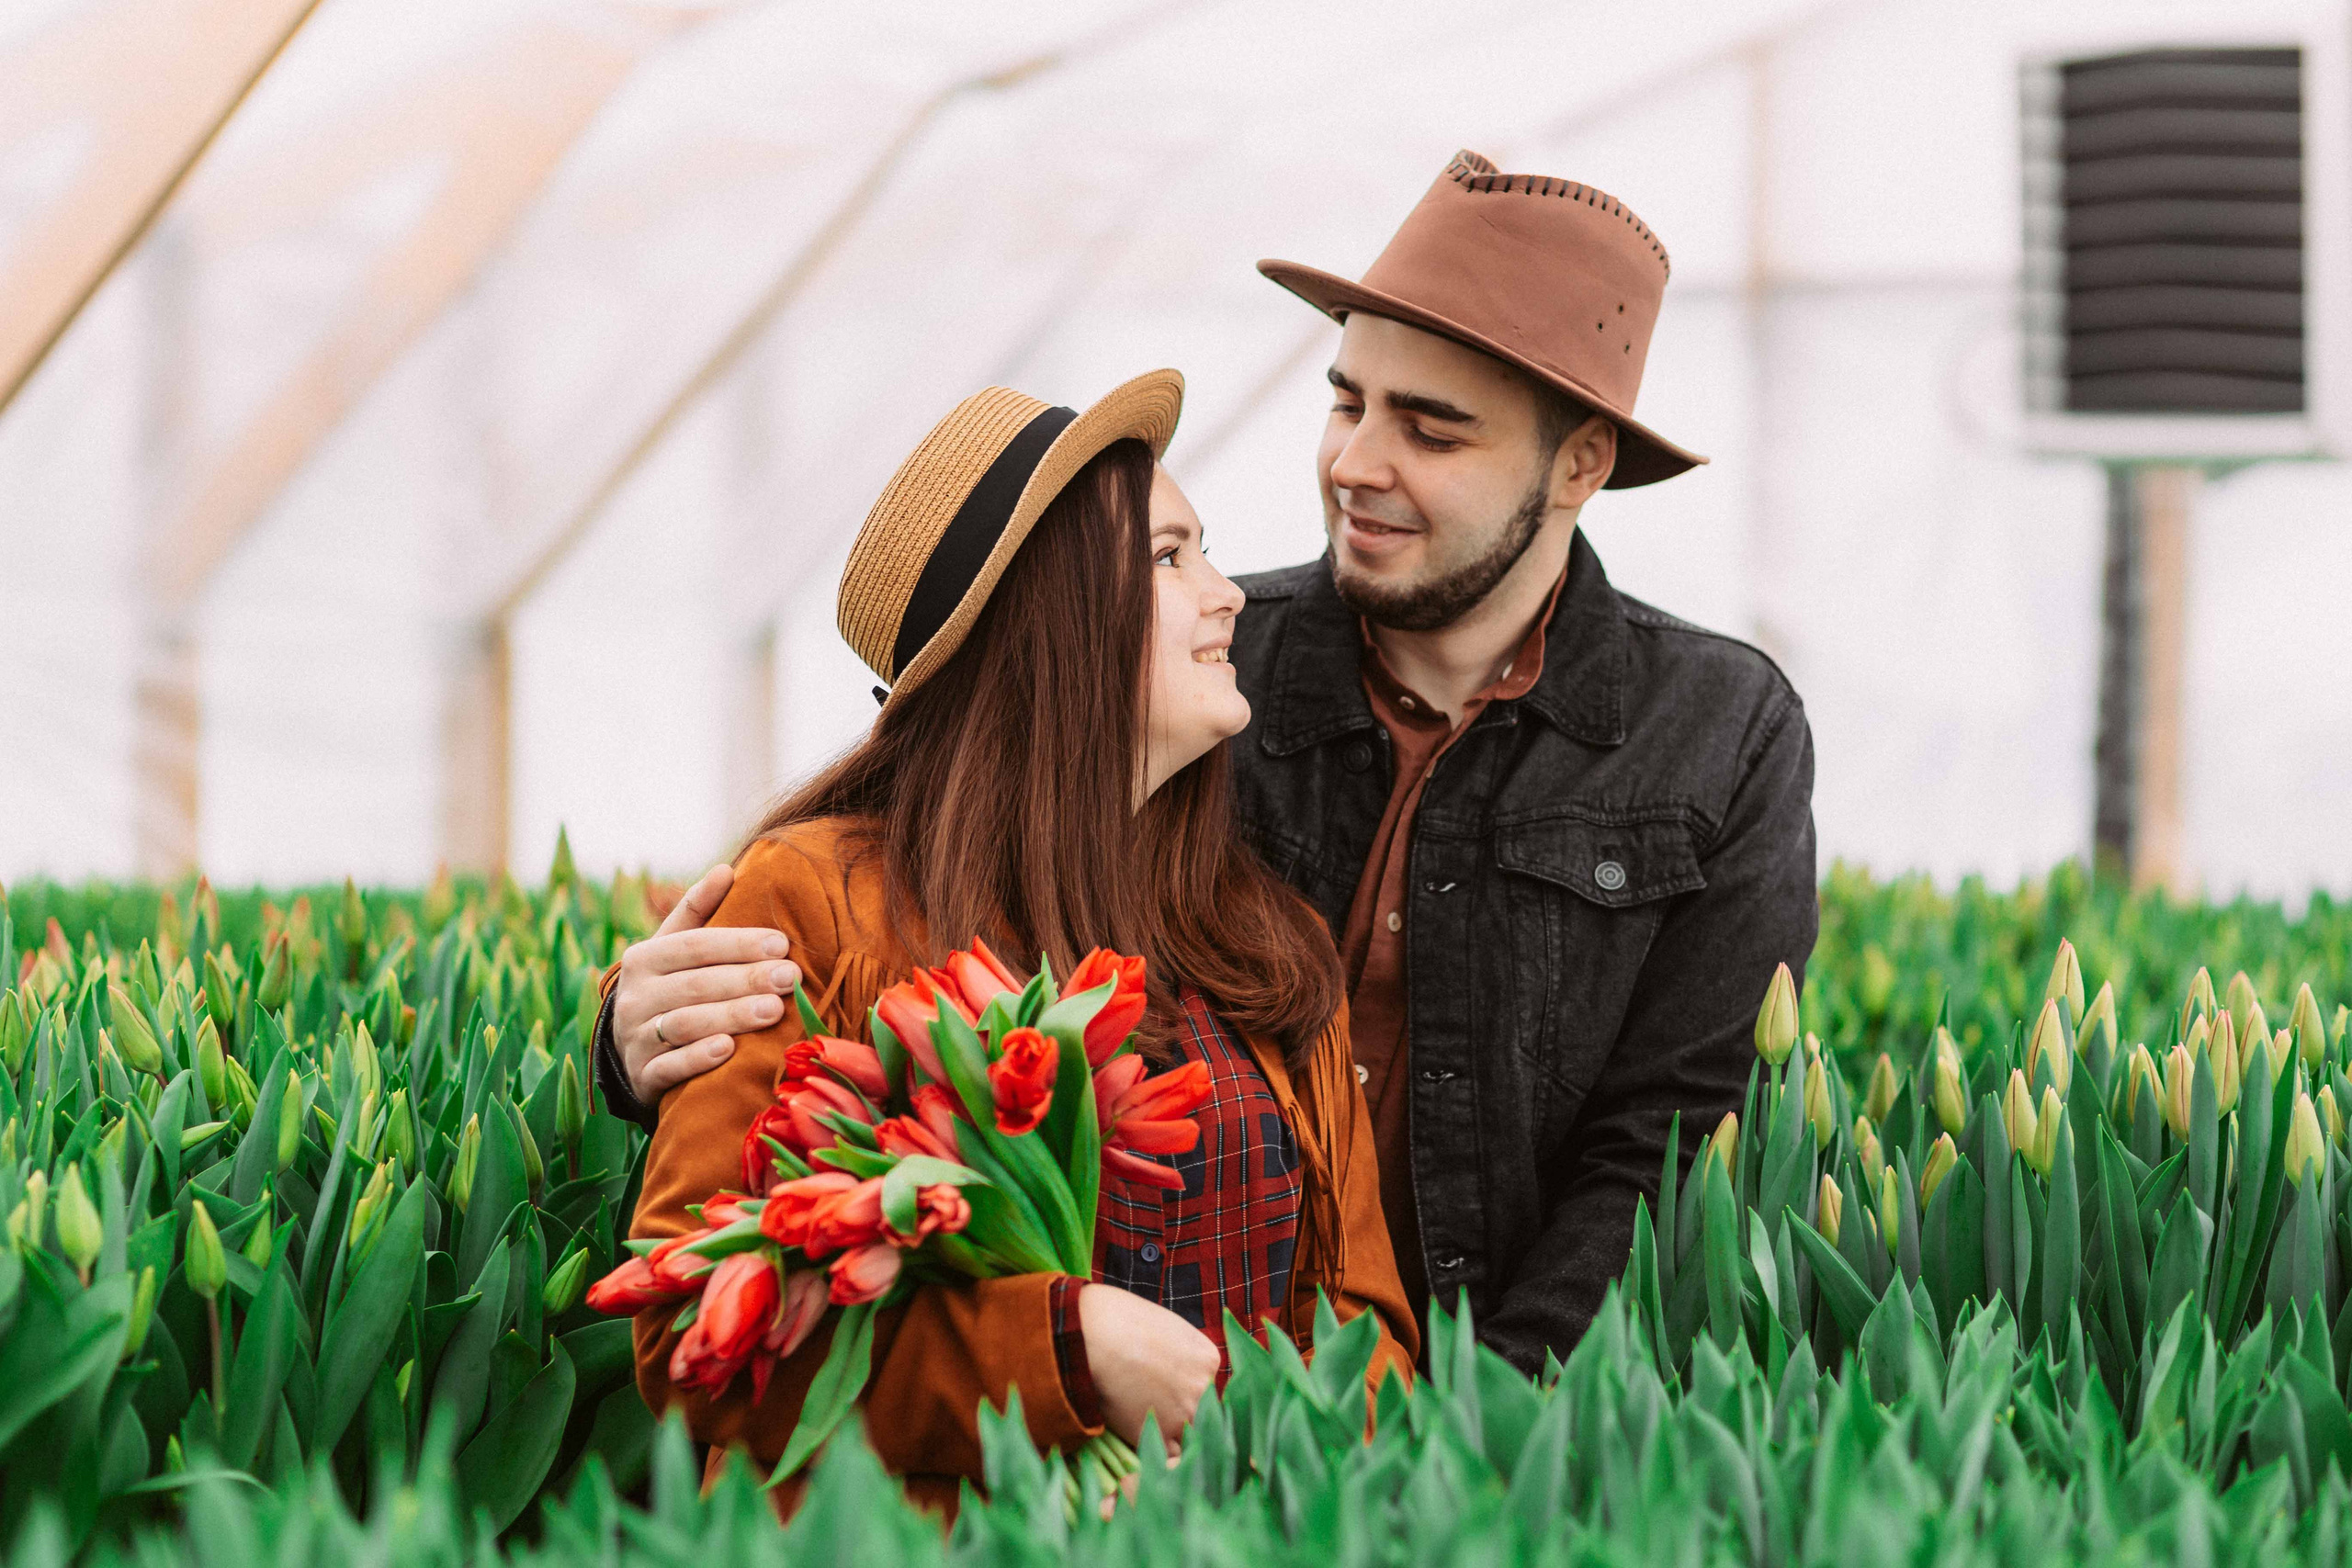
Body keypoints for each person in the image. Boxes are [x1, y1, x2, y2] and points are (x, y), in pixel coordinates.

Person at [609, 152, 1817, 1374]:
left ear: (1580, 464)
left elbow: (1664, 1150)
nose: (1354, 463)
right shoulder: (1211, 688)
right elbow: (932, 822)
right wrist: (629, 1034)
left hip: (1465, 1418)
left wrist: (1466, 1451)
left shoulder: (1718, 731)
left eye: (1432, 429)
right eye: (1348, 401)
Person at [628, 371, 1415, 1515]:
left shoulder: (1265, 943)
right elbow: (693, 1324)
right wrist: (1063, 1350)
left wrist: (1309, 1477)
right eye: (1169, 557)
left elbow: (1367, 1316)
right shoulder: (812, 903)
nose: (1230, 594)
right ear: (1041, 622)